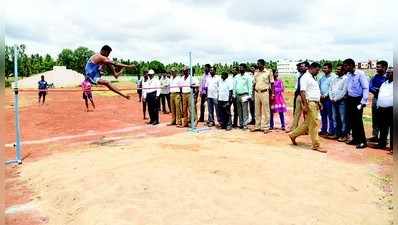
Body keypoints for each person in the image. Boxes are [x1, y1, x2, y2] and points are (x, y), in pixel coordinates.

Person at [289, 62, 323, 152]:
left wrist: (319, 102)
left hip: (315, 102)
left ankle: (293, 135)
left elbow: (314, 91)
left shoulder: (312, 77)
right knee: (314, 124)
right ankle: (316, 145)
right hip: (310, 103)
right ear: (312, 68)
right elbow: (302, 91)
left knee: (307, 124)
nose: (318, 72)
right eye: (317, 70)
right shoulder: (305, 77)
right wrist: (305, 105)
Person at [343, 58, 369, 149]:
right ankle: (355, 139)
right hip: (350, 99)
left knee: (358, 121)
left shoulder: (360, 74)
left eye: (346, 66)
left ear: (351, 65)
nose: (344, 68)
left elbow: (365, 88)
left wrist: (363, 102)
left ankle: (363, 141)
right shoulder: (349, 75)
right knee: (352, 120)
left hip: (358, 100)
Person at [369, 69, 393, 151]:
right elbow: (380, 94)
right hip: (382, 108)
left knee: (392, 128)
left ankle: (392, 147)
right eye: (388, 73)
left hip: (392, 109)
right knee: (383, 127)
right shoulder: (384, 84)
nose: (388, 74)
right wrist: (379, 104)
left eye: (391, 73)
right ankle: (381, 144)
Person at [250, 59, 274, 134]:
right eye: (257, 64)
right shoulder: (256, 72)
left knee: (266, 110)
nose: (258, 65)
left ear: (263, 65)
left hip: (265, 92)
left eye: (259, 64)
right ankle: (257, 126)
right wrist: (253, 94)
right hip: (257, 92)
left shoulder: (268, 72)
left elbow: (272, 83)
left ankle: (266, 127)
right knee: (257, 110)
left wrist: (272, 94)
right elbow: (254, 84)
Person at [367, 60, 388, 143]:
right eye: (376, 67)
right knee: (375, 118)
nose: (376, 68)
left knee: (383, 120)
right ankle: (375, 136)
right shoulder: (375, 77)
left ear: (384, 67)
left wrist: (380, 90)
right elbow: (370, 86)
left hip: (385, 101)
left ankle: (383, 138)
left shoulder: (388, 77)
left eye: (378, 67)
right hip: (375, 99)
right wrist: (377, 90)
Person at [287, 61, 309, 132]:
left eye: (302, 66)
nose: (301, 68)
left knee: (306, 113)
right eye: (301, 67)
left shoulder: (309, 75)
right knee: (297, 112)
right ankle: (294, 128)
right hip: (299, 95)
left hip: (305, 95)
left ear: (307, 67)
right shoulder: (300, 75)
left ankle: (306, 129)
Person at [328, 65, 348, 141]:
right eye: (336, 69)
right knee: (335, 117)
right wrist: (331, 98)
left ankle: (344, 135)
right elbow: (330, 88)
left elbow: (344, 91)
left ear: (343, 71)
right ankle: (336, 134)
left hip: (341, 102)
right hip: (333, 101)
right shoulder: (334, 79)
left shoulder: (345, 79)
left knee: (343, 119)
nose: (337, 70)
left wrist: (336, 99)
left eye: (339, 69)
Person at [319, 63, 337, 137]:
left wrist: (326, 95)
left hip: (329, 99)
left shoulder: (333, 77)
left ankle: (331, 131)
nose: (324, 69)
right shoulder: (322, 78)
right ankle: (324, 130)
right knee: (323, 115)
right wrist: (320, 95)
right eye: (323, 68)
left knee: (330, 115)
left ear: (330, 69)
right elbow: (319, 86)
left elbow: (331, 88)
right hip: (322, 99)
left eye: (326, 68)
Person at [233, 63, 252, 130]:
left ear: (244, 68)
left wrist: (250, 95)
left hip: (245, 95)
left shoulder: (248, 76)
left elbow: (250, 86)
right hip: (238, 95)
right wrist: (234, 95)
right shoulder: (236, 77)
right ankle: (241, 124)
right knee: (239, 110)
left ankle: (245, 124)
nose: (240, 69)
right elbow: (234, 86)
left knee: (245, 110)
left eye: (241, 67)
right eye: (239, 67)